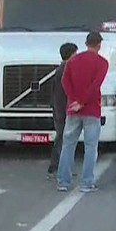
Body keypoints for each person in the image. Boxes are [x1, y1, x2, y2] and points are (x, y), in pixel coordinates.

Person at [57, 31, 109, 192]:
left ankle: (63, 181)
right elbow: (95, 85)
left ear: (86, 44)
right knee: (91, 147)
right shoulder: (102, 63)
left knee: (68, 145)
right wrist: (82, 102)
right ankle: (86, 182)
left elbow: (65, 81)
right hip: (91, 109)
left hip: (72, 109)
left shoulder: (72, 61)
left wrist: (74, 100)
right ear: (99, 45)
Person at [47, 42, 78, 180]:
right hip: (63, 110)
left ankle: (64, 167)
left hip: (59, 109)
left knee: (64, 139)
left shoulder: (60, 69)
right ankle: (55, 168)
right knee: (62, 139)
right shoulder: (66, 69)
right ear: (71, 55)